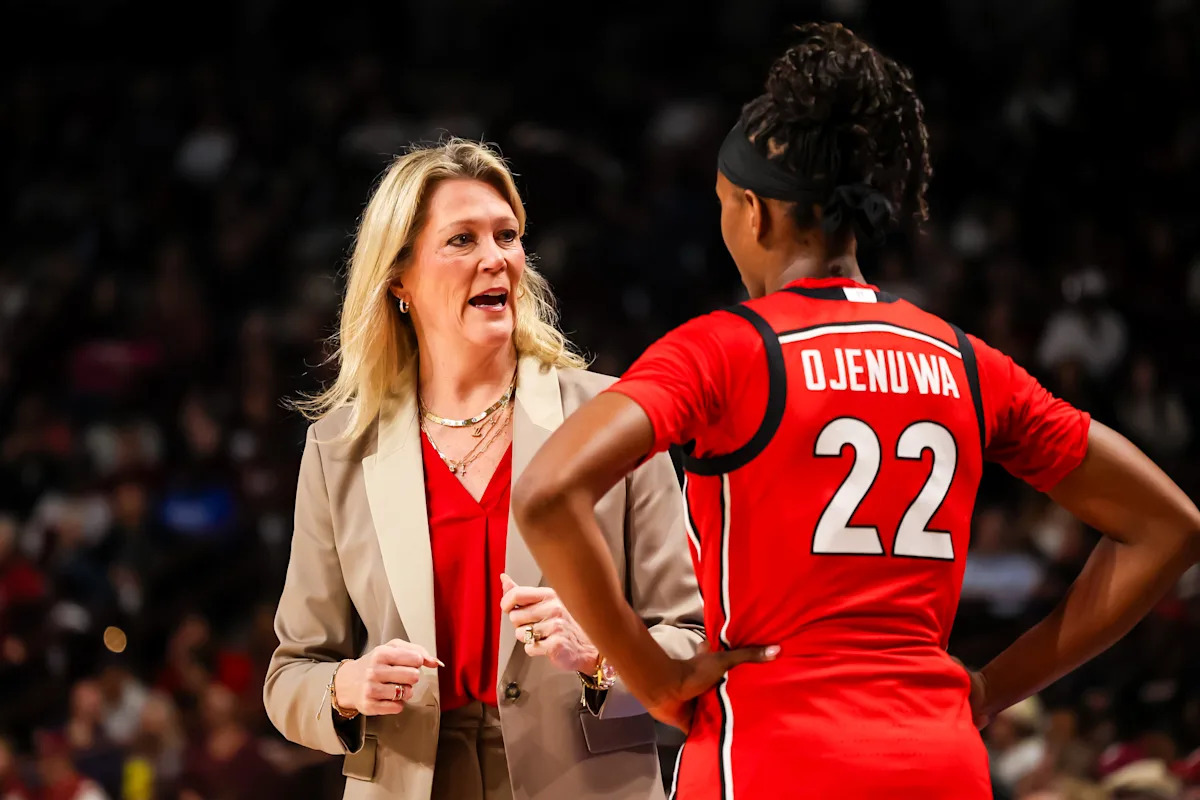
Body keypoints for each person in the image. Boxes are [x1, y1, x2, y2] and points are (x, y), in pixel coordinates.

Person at [511, 22, 1200, 799]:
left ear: (754, 212)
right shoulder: (967, 362)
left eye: (723, 206)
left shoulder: (725, 350)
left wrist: (656, 678)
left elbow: (547, 492)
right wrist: (992, 688)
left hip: (772, 755)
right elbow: (1168, 527)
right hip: (940, 762)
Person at [263, 139, 704, 800]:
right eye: (462, 240)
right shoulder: (338, 449)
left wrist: (600, 656)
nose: (496, 258)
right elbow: (290, 674)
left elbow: (693, 641)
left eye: (508, 236)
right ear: (400, 279)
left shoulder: (618, 422)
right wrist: (344, 687)